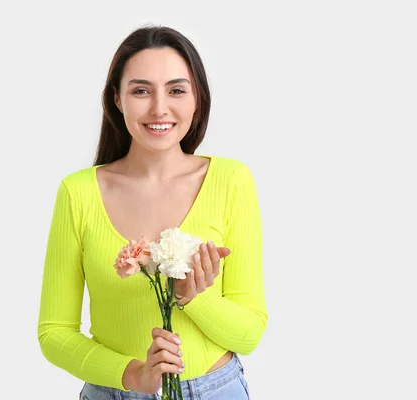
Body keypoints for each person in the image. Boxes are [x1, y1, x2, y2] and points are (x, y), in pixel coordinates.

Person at [37, 24, 267, 400]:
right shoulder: (78, 193)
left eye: (176, 90)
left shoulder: (232, 181)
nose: (159, 108)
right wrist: (131, 375)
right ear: (117, 98)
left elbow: (250, 334)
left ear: (197, 99)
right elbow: (54, 332)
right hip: (113, 392)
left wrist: (195, 298)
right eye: (141, 91)